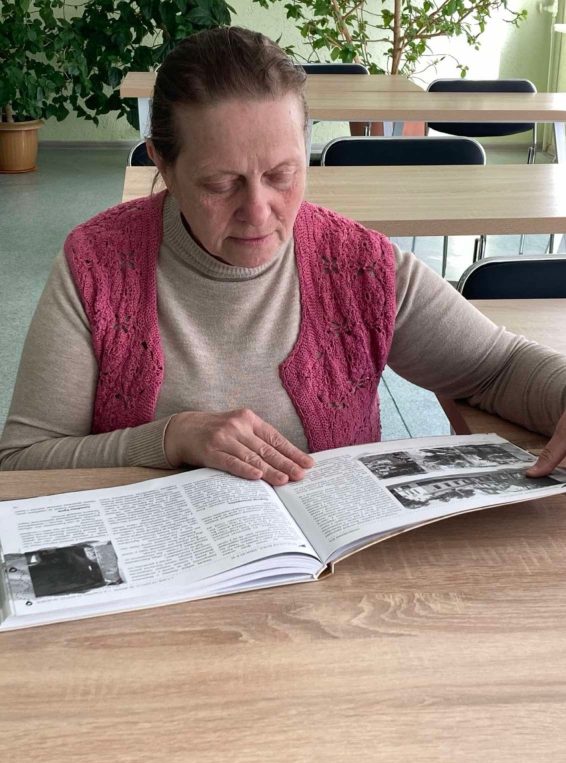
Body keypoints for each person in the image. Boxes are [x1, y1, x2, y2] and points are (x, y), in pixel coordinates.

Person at [1, 26, 565, 483]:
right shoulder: (98, 265)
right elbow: (21, 461)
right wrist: (171, 438)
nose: (258, 211)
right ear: (163, 165)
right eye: (220, 184)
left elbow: (497, 368)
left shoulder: (358, 265)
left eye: (281, 175)